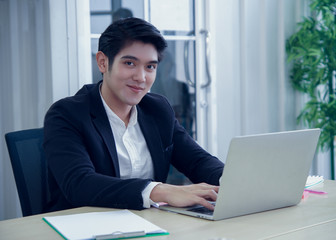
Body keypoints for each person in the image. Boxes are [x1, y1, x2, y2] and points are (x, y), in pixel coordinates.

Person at [43, 17, 224, 212]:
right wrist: (159, 191)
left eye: (150, 67)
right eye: (130, 63)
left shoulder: (157, 109)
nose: (141, 78)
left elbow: (197, 161)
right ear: (103, 62)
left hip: (148, 223)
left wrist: (233, 181)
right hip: (83, 225)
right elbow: (80, 185)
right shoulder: (66, 114)